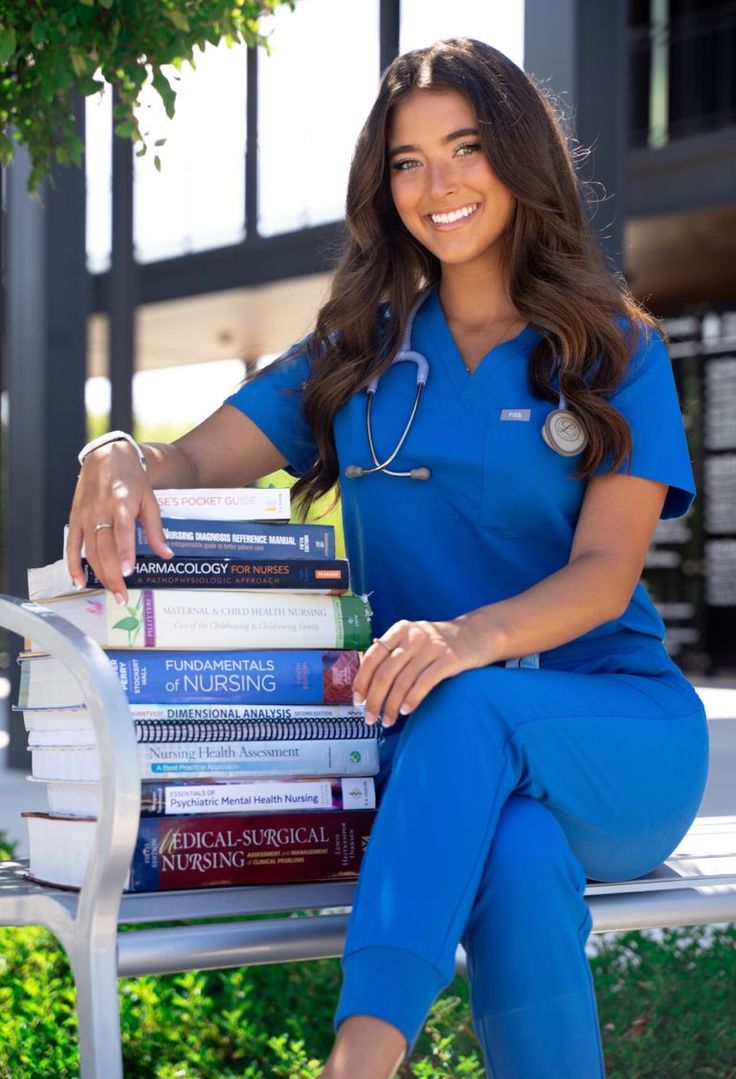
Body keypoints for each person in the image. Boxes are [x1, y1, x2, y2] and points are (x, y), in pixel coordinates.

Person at [68, 38, 708, 1079]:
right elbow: (186, 457)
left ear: (519, 158)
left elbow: (603, 573)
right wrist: (116, 454)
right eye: (407, 160)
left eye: (465, 149)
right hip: (445, 772)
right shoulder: (354, 353)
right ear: (383, 184)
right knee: (513, 852)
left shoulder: (614, 353)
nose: (437, 183)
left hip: (615, 734)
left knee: (464, 702)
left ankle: (356, 1063)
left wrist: (465, 641)